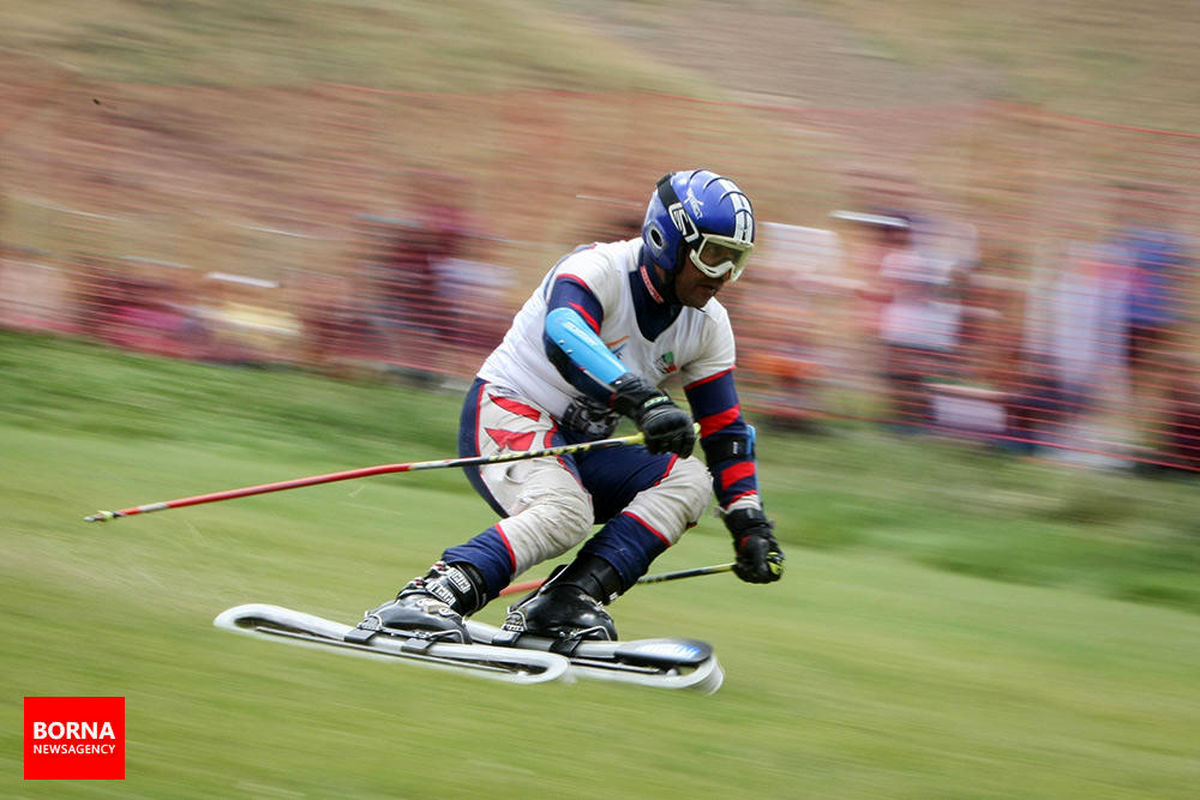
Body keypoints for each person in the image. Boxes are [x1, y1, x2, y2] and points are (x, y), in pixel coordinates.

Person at [356, 169, 785, 644]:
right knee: (566, 510)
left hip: (583, 445)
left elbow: (724, 431)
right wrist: (644, 401)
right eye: (713, 257)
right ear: (667, 239)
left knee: (689, 481)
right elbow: (566, 338)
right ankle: (433, 595)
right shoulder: (595, 270)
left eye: (736, 261)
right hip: (508, 409)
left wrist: (748, 521)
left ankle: (565, 602)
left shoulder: (708, 325)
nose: (724, 277)